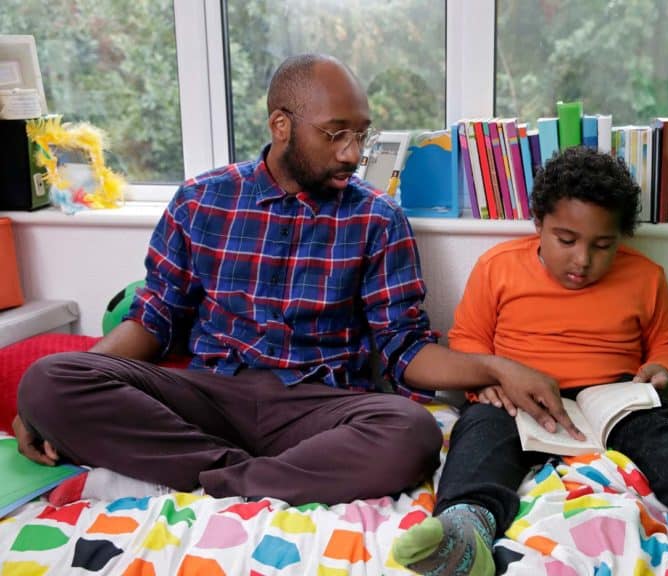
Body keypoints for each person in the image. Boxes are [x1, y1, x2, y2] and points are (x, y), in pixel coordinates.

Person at [12, 54, 577, 506]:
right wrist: (53, 399)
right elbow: (153, 321)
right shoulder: (200, 200)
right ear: (281, 125)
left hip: (319, 408)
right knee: (47, 380)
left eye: (360, 135)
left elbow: (405, 351)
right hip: (213, 395)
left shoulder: (377, 219)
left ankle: (205, 479)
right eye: (335, 134)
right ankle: (243, 476)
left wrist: (495, 366)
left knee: (412, 433)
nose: (352, 154)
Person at [393, 147, 668, 576]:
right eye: (566, 240)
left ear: (621, 237)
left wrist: (663, 373)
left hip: (614, 401)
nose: (583, 260)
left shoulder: (645, 276)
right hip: (519, 399)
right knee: (480, 435)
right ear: (539, 223)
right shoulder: (498, 267)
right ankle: (465, 534)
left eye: (603, 245)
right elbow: (469, 338)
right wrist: (486, 384)